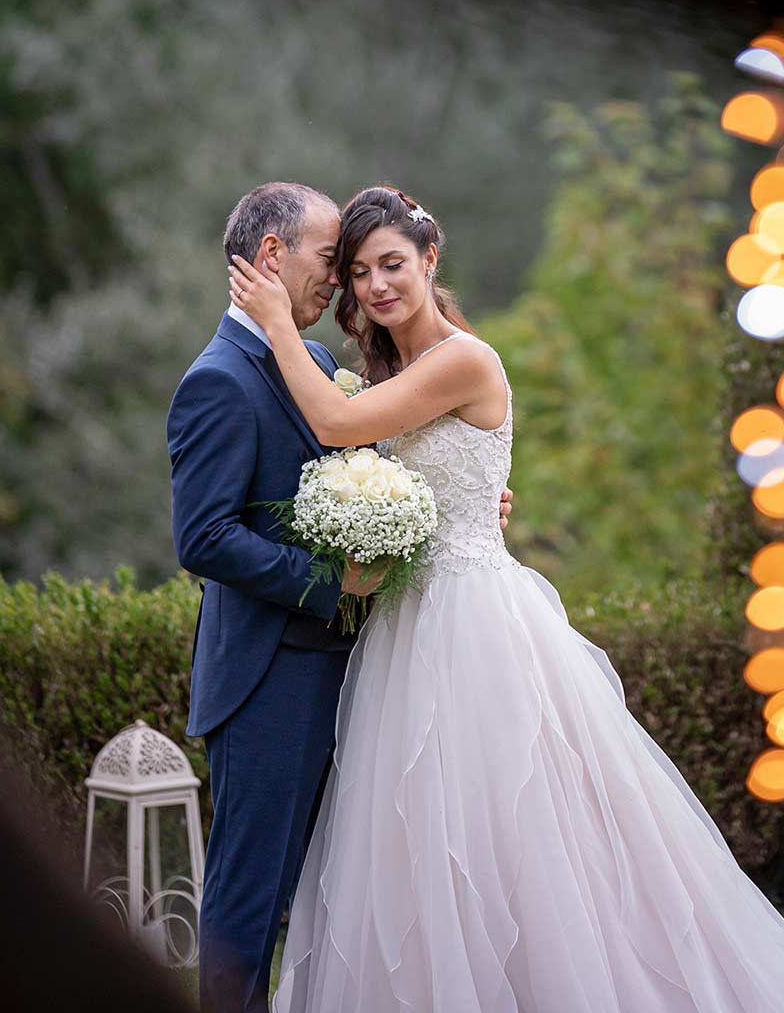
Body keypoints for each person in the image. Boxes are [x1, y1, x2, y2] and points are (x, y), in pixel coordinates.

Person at [228, 184, 784, 1013]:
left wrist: (272, 321)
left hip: (475, 629)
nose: (377, 284)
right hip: (405, 627)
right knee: (419, 839)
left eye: (393, 263)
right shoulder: (389, 366)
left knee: (512, 826)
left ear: (429, 258)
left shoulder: (464, 358)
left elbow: (340, 427)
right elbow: (393, 461)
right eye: (358, 272)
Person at [168, 179, 514, 1013]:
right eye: (337, 264)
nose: (346, 285)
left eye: (366, 266)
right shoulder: (217, 379)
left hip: (366, 666)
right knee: (250, 903)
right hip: (268, 675)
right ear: (273, 255)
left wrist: (454, 506)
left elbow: (371, 465)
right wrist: (332, 586)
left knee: (355, 885)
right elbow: (203, 538)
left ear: (429, 259)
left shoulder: (319, 363)